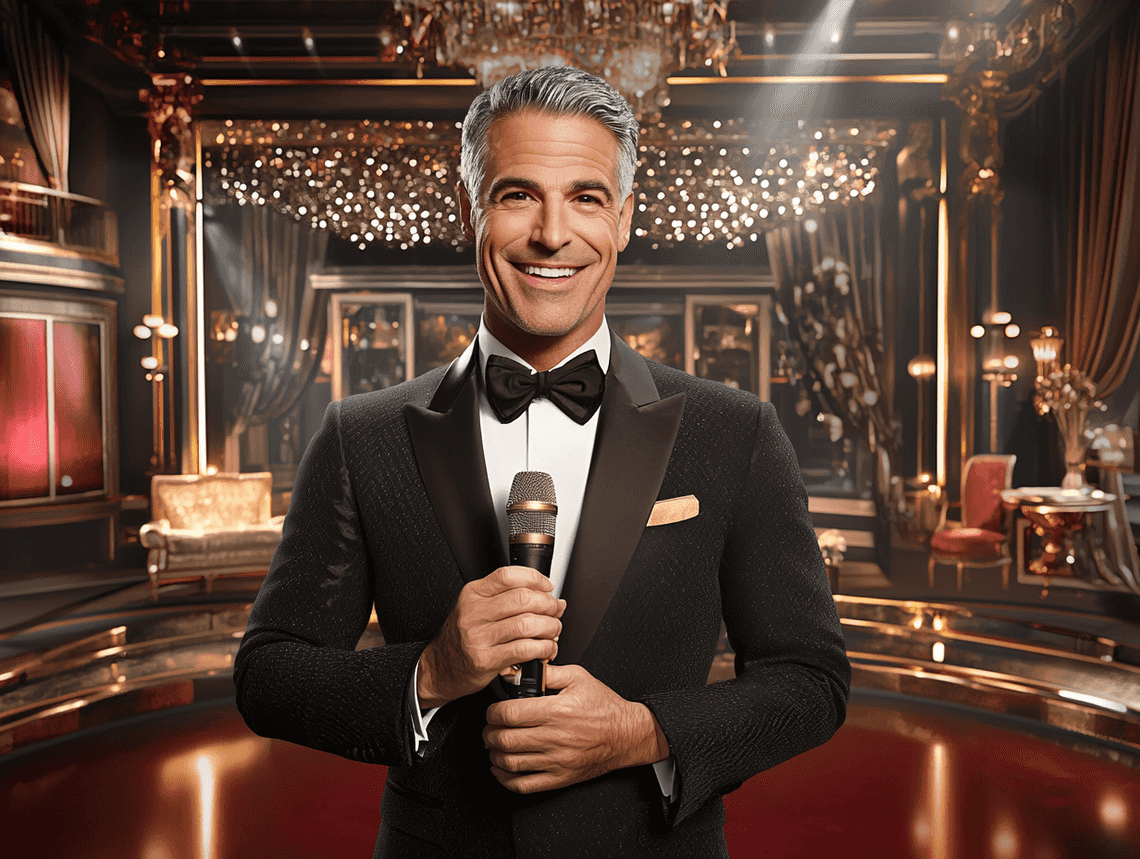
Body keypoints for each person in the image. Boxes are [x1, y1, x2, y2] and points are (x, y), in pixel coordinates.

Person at [234, 66, 850, 859]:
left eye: (586, 197)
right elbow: (268, 675)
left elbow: (812, 679)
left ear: (624, 218)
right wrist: (431, 671)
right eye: (518, 194)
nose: (553, 234)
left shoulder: (737, 432)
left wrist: (640, 731)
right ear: (470, 210)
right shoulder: (362, 434)